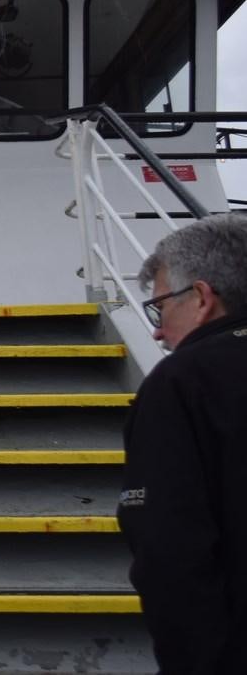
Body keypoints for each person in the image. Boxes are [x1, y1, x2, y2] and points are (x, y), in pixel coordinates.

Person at [118, 213, 247, 673]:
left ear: (201, 298)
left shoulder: (184, 383)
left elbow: (170, 550)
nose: (156, 329)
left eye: (161, 306)